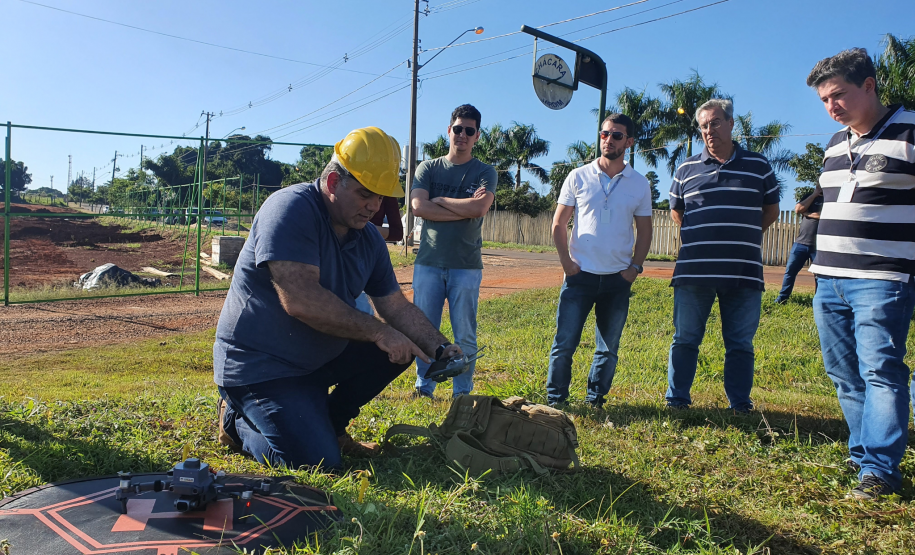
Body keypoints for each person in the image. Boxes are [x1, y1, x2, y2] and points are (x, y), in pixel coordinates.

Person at [213, 126, 463, 470]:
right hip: (260, 366)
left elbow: (394, 306)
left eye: (381, 197)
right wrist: (378, 332)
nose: (375, 206)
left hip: (315, 360)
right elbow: (300, 299)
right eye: (365, 194)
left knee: (399, 346)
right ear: (333, 182)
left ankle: (332, 424)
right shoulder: (290, 209)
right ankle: (234, 423)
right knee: (315, 462)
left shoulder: (367, 238)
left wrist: (439, 347)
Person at [806, 48, 915, 500]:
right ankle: (863, 452)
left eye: (839, 95)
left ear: (869, 85)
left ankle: (880, 469)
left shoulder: (910, 131)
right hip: (828, 277)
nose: (832, 107)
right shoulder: (835, 143)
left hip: (883, 279)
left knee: (881, 371)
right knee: (843, 372)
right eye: (825, 100)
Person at [666, 98, 780, 413]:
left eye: (715, 123)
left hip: (743, 272)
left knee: (740, 344)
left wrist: (742, 235)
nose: (709, 130)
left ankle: (740, 404)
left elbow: (771, 210)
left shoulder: (758, 165)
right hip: (694, 272)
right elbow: (677, 211)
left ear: (731, 123)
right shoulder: (686, 168)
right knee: (685, 338)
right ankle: (677, 399)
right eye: (703, 126)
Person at [546, 114, 653, 408]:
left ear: (629, 142)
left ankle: (595, 400)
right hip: (580, 276)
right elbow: (558, 224)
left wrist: (634, 268)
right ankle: (556, 401)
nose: (608, 140)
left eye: (617, 136)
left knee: (608, 348)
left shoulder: (639, 184)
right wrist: (567, 263)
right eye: (604, 134)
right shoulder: (578, 176)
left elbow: (645, 231)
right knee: (564, 344)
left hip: (618, 279)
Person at [410, 104, 498, 398]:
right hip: (429, 263)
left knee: (465, 334)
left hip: (466, 265)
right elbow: (419, 207)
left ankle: (462, 392)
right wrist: (466, 210)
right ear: (449, 131)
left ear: (477, 136)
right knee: (425, 329)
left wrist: (442, 200)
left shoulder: (485, 172)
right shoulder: (428, 168)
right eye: (458, 129)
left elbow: (480, 207)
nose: (462, 135)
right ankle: (424, 387)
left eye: (469, 131)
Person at [355, 196, 404, 314]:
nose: (375, 207)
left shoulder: (388, 193)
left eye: (380, 198)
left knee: (362, 309)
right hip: (336, 249)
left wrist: (365, 228)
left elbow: (397, 234)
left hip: (365, 253)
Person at [775, 186, 823, 303]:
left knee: (819, 276)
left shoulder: (830, 199)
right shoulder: (808, 197)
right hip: (800, 243)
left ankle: (818, 301)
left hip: (819, 246)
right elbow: (798, 209)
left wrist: (807, 213)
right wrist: (814, 194)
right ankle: (782, 298)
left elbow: (825, 216)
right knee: (790, 271)